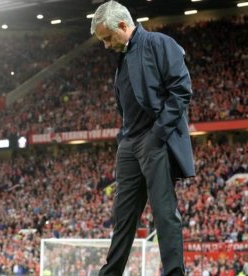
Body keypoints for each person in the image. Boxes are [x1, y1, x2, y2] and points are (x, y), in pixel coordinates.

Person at [90, 1, 195, 275]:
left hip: (154, 138)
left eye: (108, 37)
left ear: (123, 25)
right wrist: (123, 138)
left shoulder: (159, 44)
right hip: (129, 143)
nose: (106, 45)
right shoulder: (122, 56)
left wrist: (158, 134)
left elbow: (181, 90)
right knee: (122, 217)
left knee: (163, 213)